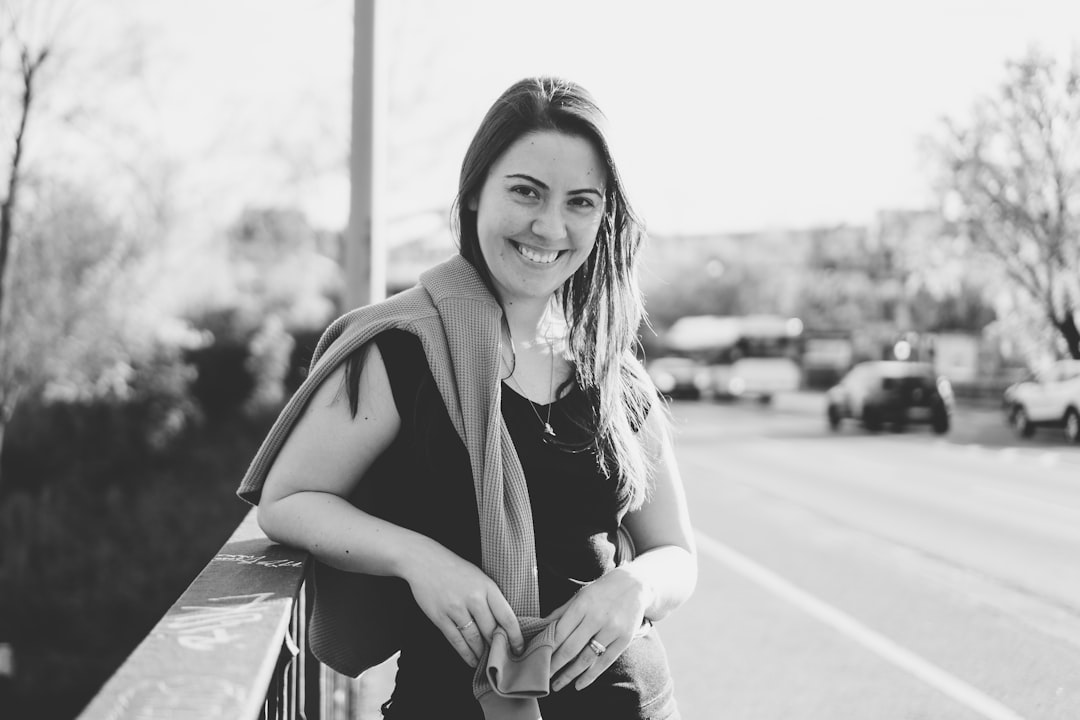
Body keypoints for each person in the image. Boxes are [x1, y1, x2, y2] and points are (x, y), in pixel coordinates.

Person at [239, 76, 697, 720]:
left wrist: (636, 585)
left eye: (581, 202)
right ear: (476, 192)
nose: (550, 225)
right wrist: (419, 559)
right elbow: (287, 502)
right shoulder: (403, 348)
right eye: (526, 191)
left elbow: (676, 553)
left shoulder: (612, 370)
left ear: (604, 217)